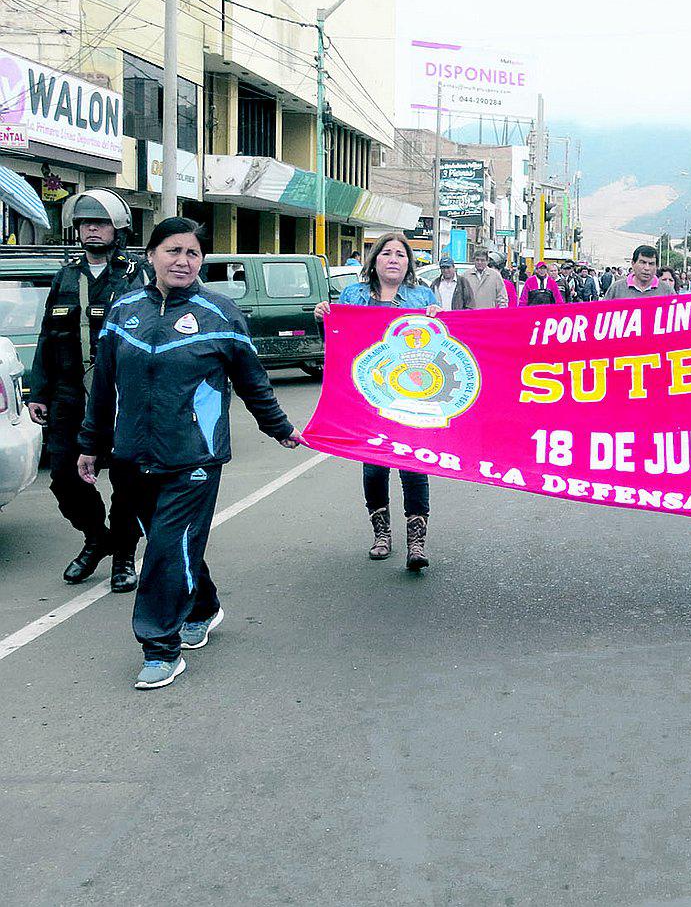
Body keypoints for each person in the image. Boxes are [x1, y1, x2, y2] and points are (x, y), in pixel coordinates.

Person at [78, 218, 302, 690]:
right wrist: (91, 446)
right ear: (151, 255)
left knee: (163, 548)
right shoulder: (124, 311)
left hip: (194, 458)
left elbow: (252, 381)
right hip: (131, 456)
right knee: (170, 541)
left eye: (193, 254)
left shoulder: (220, 314)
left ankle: (160, 647)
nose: (183, 261)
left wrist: (279, 428)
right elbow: (103, 386)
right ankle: (203, 607)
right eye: (173, 251)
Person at [26, 189, 149, 592]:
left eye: (99, 223)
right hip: (69, 396)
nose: (91, 230)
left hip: (122, 396)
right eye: (84, 224)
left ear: (119, 229)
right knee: (64, 476)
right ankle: (98, 538)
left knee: (128, 479)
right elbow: (48, 334)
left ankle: (124, 554)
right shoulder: (65, 276)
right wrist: (39, 392)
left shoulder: (136, 275)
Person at [313, 233, 440, 571]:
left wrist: (439, 316)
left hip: (412, 396)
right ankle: (381, 533)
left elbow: (442, 343)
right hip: (368, 396)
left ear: (409, 262)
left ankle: (417, 541)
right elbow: (338, 341)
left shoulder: (423, 296)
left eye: (401, 254)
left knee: (414, 464)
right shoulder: (354, 295)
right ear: (375, 260)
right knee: (374, 464)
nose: (394, 259)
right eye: (387, 253)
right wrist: (324, 316)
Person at [605, 245, 676, 299]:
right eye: (642, 262)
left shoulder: (667, 291)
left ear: (656, 267)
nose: (647, 268)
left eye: (651, 264)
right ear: (633, 264)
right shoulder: (617, 289)